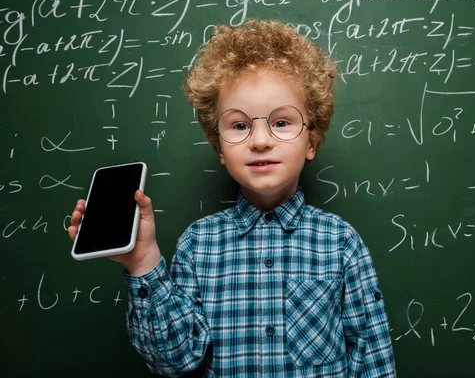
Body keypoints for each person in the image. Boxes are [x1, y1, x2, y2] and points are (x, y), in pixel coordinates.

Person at [68, 19, 395, 377]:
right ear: (219, 146)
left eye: (281, 122)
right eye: (239, 126)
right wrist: (144, 262)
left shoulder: (341, 243)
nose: (259, 140)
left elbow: (372, 357)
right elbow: (172, 362)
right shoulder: (198, 245)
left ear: (312, 141)